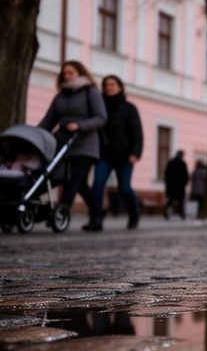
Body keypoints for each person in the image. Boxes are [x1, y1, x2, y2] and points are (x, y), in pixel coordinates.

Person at [38, 60, 107, 232]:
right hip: (63, 144)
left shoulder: (91, 92)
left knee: (72, 180)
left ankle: (61, 213)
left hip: (86, 145)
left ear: (80, 74)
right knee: (80, 184)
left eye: (71, 73)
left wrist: (80, 126)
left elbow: (101, 117)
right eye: (64, 74)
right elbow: (49, 120)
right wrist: (36, 134)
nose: (67, 76)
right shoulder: (60, 96)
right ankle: (97, 216)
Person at [90, 75, 143, 231]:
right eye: (106, 85)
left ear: (120, 87)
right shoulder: (99, 107)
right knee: (97, 185)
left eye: (112, 84)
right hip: (104, 155)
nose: (109, 87)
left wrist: (135, 153)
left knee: (124, 188)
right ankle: (96, 218)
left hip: (125, 156)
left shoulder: (129, 108)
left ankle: (134, 214)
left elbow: (137, 134)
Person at [163, 151, 189, 220]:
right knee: (180, 200)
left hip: (171, 186)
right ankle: (181, 213)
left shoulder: (170, 162)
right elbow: (185, 175)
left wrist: (167, 183)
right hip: (180, 186)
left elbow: (166, 174)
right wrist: (184, 183)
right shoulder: (182, 164)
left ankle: (166, 209)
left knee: (171, 199)